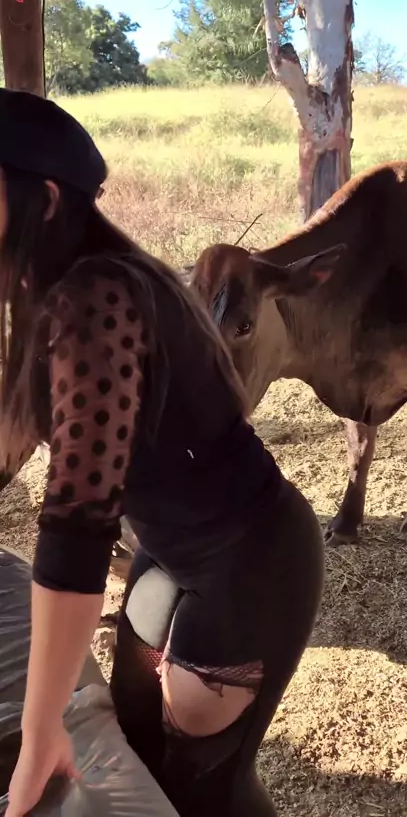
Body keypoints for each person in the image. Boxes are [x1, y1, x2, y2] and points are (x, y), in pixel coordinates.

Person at [0, 89, 324, 817]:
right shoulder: (54, 293)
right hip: (167, 555)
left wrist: (41, 729)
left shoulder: (96, 299)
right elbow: (13, 437)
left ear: (43, 201)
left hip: (248, 567)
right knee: (146, 762)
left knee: (208, 789)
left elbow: (77, 527)